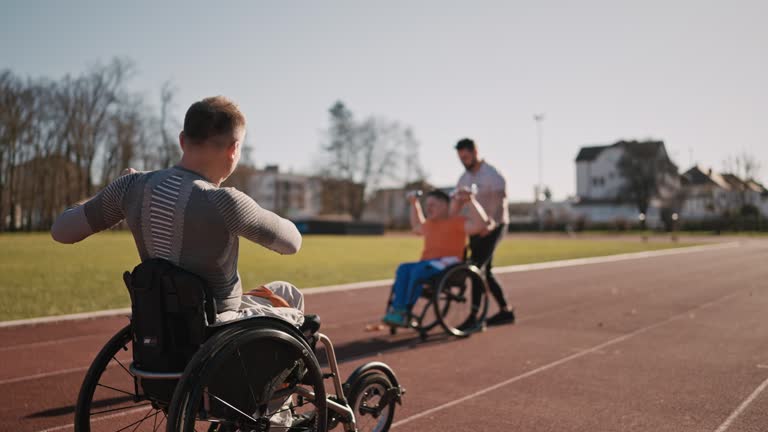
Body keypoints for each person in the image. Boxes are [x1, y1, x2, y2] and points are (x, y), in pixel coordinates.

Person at [51, 96, 306, 328]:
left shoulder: (130, 187)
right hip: (217, 326)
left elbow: (62, 231)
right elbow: (292, 243)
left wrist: (110, 192)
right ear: (234, 149)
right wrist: (246, 205)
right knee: (291, 297)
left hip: (160, 321)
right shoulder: (226, 201)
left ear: (183, 140)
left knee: (282, 290)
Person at [382, 189, 493, 327]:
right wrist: (414, 203)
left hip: (447, 265)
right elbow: (416, 227)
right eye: (427, 205)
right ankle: (398, 309)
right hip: (428, 265)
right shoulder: (429, 224)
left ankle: (405, 312)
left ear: (445, 206)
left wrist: (471, 201)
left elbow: (480, 225)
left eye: (433, 205)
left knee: (419, 271)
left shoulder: (457, 222)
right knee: (403, 268)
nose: (428, 208)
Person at [455, 137, 516, 325]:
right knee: (485, 271)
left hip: (495, 226)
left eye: (466, 157)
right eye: (460, 158)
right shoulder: (463, 179)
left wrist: (491, 224)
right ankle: (506, 311)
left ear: (475, 152)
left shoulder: (492, 175)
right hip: (476, 227)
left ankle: (474, 316)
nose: (463, 161)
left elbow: (500, 202)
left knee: (477, 268)